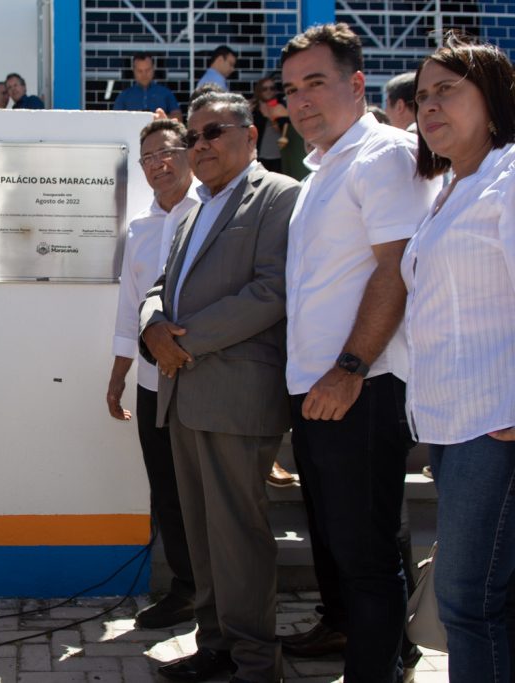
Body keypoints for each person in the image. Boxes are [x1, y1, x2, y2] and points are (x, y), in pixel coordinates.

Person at [278, 23, 439, 682]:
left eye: (316, 82)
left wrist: (349, 368)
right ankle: (386, 653)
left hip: (362, 388)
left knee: (364, 553)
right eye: (291, 90)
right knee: (348, 544)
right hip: (322, 390)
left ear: (357, 83)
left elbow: (395, 267)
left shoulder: (383, 156)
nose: (302, 100)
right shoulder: (325, 166)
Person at [140, 91, 299, 683]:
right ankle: (216, 648)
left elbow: (271, 291)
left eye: (214, 132)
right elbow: (160, 283)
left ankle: (257, 663)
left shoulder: (279, 196)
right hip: (183, 392)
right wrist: (152, 326)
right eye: (194, 136)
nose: (201, 145)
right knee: (203, 535)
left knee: (238, 537)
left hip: (234, 396)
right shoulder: (197, 206)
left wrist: (182, 341)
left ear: (251, 136)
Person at [405, 34, 515, 682]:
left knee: (466, 600)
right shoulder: (450, 189)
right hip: (450, 422)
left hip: (494, 419)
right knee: (486, 597)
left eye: (447, 90)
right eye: (422, 96)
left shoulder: (508, 177)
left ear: (495, 99)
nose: (429, 106)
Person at [108, 118, 200, 629]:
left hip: (203, 378)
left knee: (205, 489)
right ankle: (186, 589)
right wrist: (117, 375)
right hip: (149, 384)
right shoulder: (140, 229)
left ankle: (220, 592)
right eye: (147, 158)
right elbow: (128, 309)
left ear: (188, 152)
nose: (158, 164)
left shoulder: (211, 212)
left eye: (166, 152)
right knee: (165, 488)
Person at [113, 53, 182, 120]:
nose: (144, 74)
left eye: (147, 70)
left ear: (153, 69)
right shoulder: (124, 96)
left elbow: (178, 118)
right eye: (140, 71)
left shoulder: (165, 93)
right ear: (134, 70)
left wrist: (160, 119)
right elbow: (115, 120)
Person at [251, 76, 290, 174]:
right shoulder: (253, 109)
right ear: (259, 91)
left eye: (272, 88)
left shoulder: (281, 107)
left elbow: (286, 131)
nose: (269, 91)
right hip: (258, 156)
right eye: (265, 89)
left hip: (279, 157)